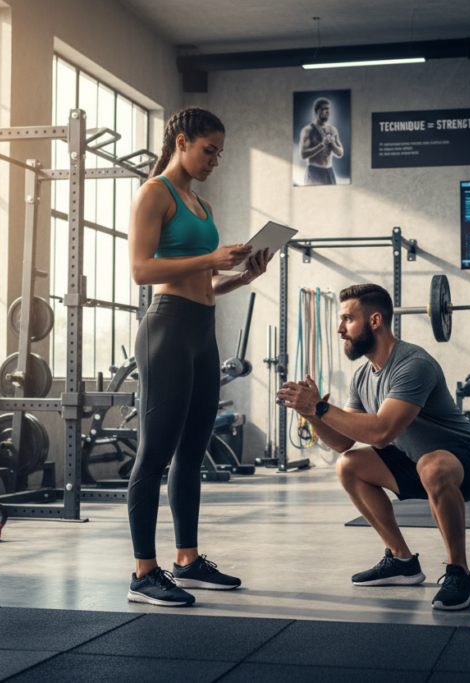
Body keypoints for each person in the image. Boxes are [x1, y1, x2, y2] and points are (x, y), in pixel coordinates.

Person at [126, 106, 272, 606]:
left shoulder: (201, 205)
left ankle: (186, 561)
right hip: (166, 329)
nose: (215, 160)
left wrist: (241, 277)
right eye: (209, 150)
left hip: (202, 332)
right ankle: (144, 572)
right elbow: (143, 270)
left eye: (220, 153)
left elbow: (203, 281)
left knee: (193, 454)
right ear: (182, 141)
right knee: (154, 454)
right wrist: (212, 259)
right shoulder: (154, 194)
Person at [276, 284, 470, 611]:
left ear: (375, 320)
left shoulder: (413, 364)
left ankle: (459, 573)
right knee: (349, 465)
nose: (340, 329)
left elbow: (381, 432)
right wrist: (311, 413)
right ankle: (401, 560)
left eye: (348, 319)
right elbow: (342, 442)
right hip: (417, 462)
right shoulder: (362, 376)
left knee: (432, 466)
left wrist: (322, 408)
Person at [298, 97, 344, 185]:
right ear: (317, 111)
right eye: (324, 109)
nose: (327, 112)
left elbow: (340, 154)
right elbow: (303, 155)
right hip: (314, 171)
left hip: (329, 171)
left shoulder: (333, 130)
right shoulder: (308, 130)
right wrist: (322, 145)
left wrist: (333, 144)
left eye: (328, 109)